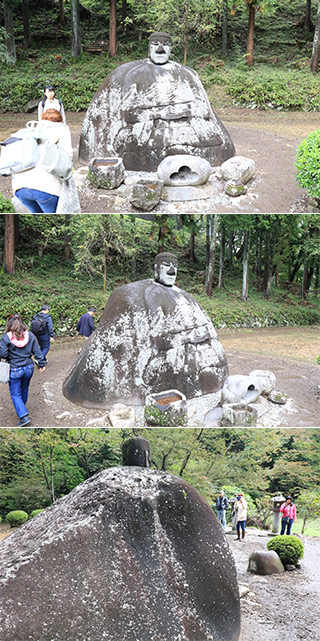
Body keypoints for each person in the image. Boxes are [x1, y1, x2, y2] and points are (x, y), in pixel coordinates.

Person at [62, 252, 229, 409]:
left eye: (175, 266)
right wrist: (188, 338)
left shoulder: (185, 296)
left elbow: (211, 332)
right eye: (166, 265)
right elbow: (160, 337)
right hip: (177, 350)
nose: (172, 270)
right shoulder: (153, 294)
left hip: (199, 350)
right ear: (156, 269)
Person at [79, 32, 235, 171]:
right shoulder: (135, 74)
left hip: (183, 128)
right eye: (155, 45)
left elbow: (203, 110)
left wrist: (166, 112)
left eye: (165, 45)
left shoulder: (186, 74)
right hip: (149, 129)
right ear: (149, 48)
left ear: (171, 48)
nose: (160, 49)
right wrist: (168, 112)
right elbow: (129, 113)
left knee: (213, 136)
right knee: (126, 141)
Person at [12, 108, 73, 213]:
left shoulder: (32, 130)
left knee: (37, 214)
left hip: (19, 188)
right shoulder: (62, 129)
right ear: (59, 120)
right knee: (52, 215)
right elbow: (68, 155)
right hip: (46, 189)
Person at [0, 314, 46, 426]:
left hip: (15, 369)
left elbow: (3, 354)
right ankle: (21, 409)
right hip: (29, 368)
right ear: (22, 323)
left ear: (9, 324)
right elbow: (37, 351)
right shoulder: (30, 335)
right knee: (24, 389)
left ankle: (23, 416)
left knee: (15, 394)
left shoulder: (6, 337)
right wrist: (41, 364)